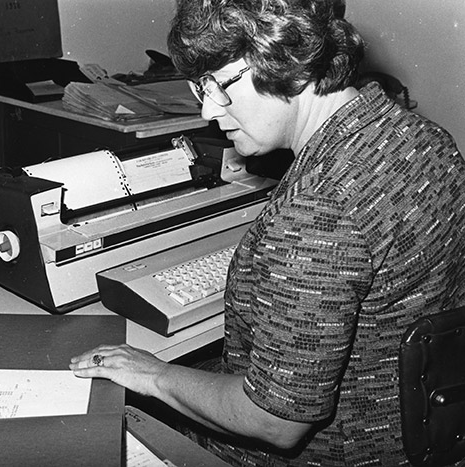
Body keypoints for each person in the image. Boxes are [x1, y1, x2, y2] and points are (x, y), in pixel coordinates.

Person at [70, 0, 465, 465]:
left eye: (219, 84)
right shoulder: (423, 138)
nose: (208, 110)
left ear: (288, 60)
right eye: (201, 87)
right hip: (420, 431)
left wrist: (152, 374)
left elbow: (273, 421)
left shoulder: (318, 210)